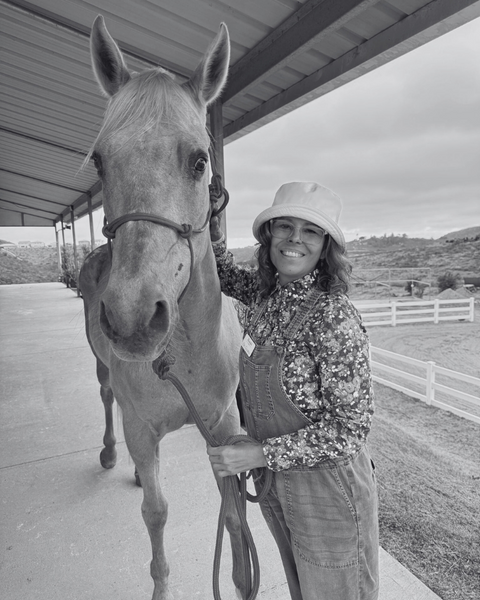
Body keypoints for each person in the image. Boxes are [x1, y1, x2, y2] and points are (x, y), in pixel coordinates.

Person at [207, 181, 379, 600]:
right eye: (284, 226)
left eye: (311, 231)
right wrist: (208, 218)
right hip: (278, 481)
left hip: (328, 493)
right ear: (269, 237)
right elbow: (221, 270)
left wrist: (262, 453)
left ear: (325, 247)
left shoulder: (333, 317)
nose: (294, 240)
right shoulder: (267, 297)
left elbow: (350, 429)